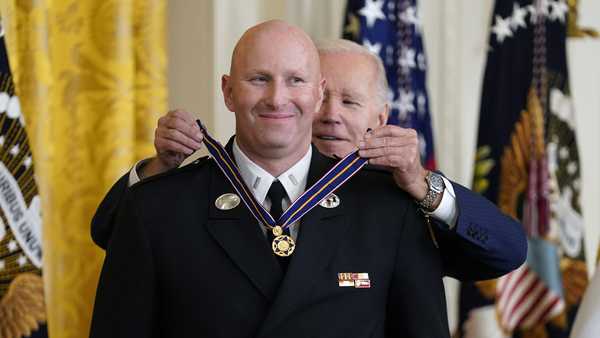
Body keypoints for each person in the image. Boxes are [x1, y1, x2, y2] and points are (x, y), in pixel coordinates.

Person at [90, 20, 451, 337]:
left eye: (295, 80)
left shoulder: (388, 209)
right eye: (259, 79)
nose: (277, 99)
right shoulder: (155, 208)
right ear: (229, 92)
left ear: (317, 93)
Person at [92, 39, 527, 281]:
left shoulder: (393, 200)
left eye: (350, 102)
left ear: (381, 118)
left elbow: (504, 253)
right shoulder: (214, 176)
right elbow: (115, 235)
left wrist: (424, 187)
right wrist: (159, 168)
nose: (330, 115)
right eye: (321, 96)